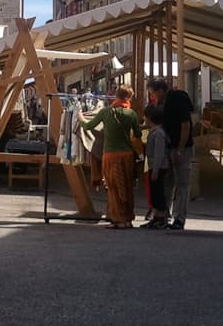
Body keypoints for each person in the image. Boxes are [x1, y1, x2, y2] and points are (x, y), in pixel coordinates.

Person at [79, 85, 142, 229]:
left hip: (110, 155)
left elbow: (88, 126)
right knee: (127, 186)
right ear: (129, 98)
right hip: (127, 155)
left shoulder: (105, 112)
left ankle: (118, 219)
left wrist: (80, 117)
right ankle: (128, 219)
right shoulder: (131, 114)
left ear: (115, 96)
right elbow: (138, 135)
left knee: (114, 188)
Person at [147, 78, 194, 231]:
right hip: (170, 147)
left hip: (181, 147)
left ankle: (180, 218)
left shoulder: (176, 99)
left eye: (153, 93)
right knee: (168, 182)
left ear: (160, 90)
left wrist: (180, 148)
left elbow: (185, 126)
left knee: (182, 183)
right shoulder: (163, 103)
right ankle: (163, 216)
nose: (153, 97)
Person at [142, 104, 170, 229]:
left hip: (159, 167)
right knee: (154, 192)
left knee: (159, 193)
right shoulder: (154, 131)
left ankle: (162, 217)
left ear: (151, 118)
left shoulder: (159, 133)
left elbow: (159, 153)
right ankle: (156, 217)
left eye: (145, 117)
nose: (144, 120)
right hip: (154, 166)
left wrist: (156, 170)